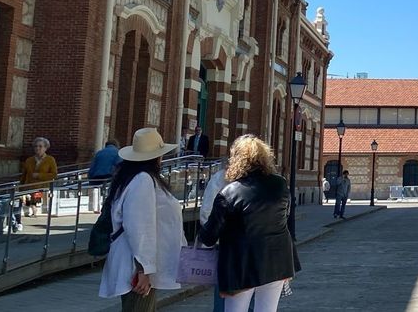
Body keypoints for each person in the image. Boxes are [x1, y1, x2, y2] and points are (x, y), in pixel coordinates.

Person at [198, 134, 300, 311]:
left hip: (242, 262)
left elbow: (209, 236)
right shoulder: (280, 185)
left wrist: (202, 234)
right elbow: (285, 217)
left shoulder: (230, 192)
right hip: (277, 258)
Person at [98, 127, 185, 311]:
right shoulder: (143, 180)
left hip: (133, 262)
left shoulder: (134, 178)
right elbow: (140, 227)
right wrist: (144, 270)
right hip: (136, 266)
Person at [200, 159, 232, 312]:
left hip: (229, 246)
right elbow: (206, 212)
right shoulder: (220, 178)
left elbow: (206, 212)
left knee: (225, 294)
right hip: (235, 247)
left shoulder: (221, 178)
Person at [19, 137, 58, 221]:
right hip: (28, 185)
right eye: (36, 146)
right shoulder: (29, 160)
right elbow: (24, 174)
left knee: (35, 199)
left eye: (40, 146)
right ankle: (28, 212)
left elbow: (54, 174)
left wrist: (39, 175)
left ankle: (34, 212)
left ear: (45, 148)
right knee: (27, 199)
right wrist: (20, 186)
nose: (38, 148)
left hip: (41, 186)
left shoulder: (50, 160)